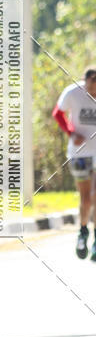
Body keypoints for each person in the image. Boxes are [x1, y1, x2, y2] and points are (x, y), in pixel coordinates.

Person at [53, 68, 96, 259]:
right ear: (84, 82)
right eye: (91, 89)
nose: (93, 93)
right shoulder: (72, 92)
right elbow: (58, 113)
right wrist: (72, 133)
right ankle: (83, 231)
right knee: (86, 199)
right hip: (79, 154)